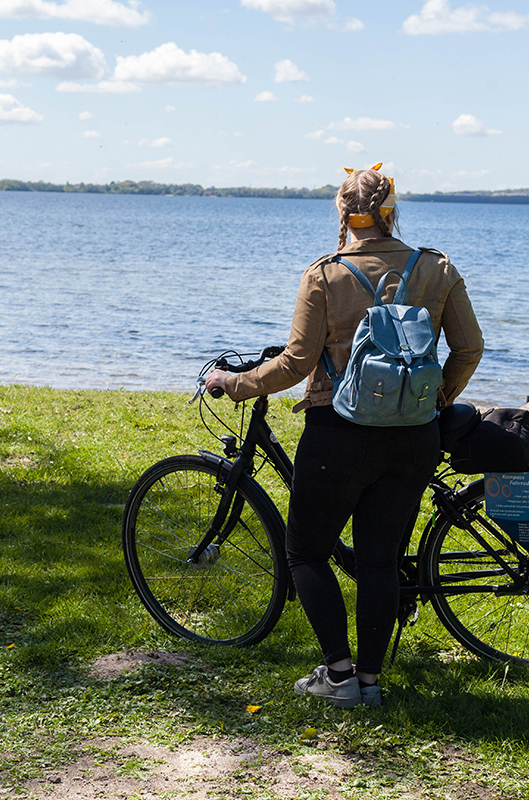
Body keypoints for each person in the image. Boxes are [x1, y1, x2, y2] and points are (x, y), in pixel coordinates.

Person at [204, 164, 483, 707]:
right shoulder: (438, 268)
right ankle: (371, 684)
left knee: (306, 551)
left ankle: (338, 676)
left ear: (343, 214)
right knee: (379, 560)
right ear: (391, 211)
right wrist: (435, 399)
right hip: (413, 437)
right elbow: (469, 349)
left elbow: (294, 364)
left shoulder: (324, 275)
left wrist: (235, 382)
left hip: (339, 434)